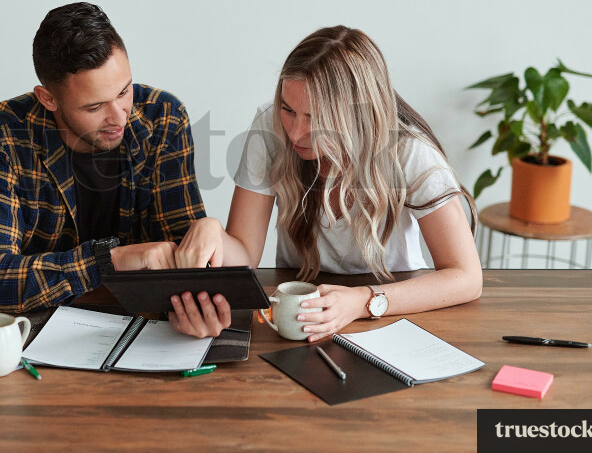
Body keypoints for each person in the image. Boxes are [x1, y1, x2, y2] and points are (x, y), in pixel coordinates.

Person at [176, 25, 482, 340]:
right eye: (288, 109)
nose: (294, 133)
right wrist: (211, 230)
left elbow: (466, 277)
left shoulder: (409, 153)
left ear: (359, 116)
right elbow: (245, 260)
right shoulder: (269, 130)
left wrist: (363, 301)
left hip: (391, 312)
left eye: (316, 118)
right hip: (303, 315)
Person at [0, 2, 230, 337]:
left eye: (124, 91)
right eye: (95, 106)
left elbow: (183, 246)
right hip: (39, 335)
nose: (119, 116)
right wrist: (108, 260)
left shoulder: (164, 119)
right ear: (48, 99)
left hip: (146, 331)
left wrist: (196, 302)